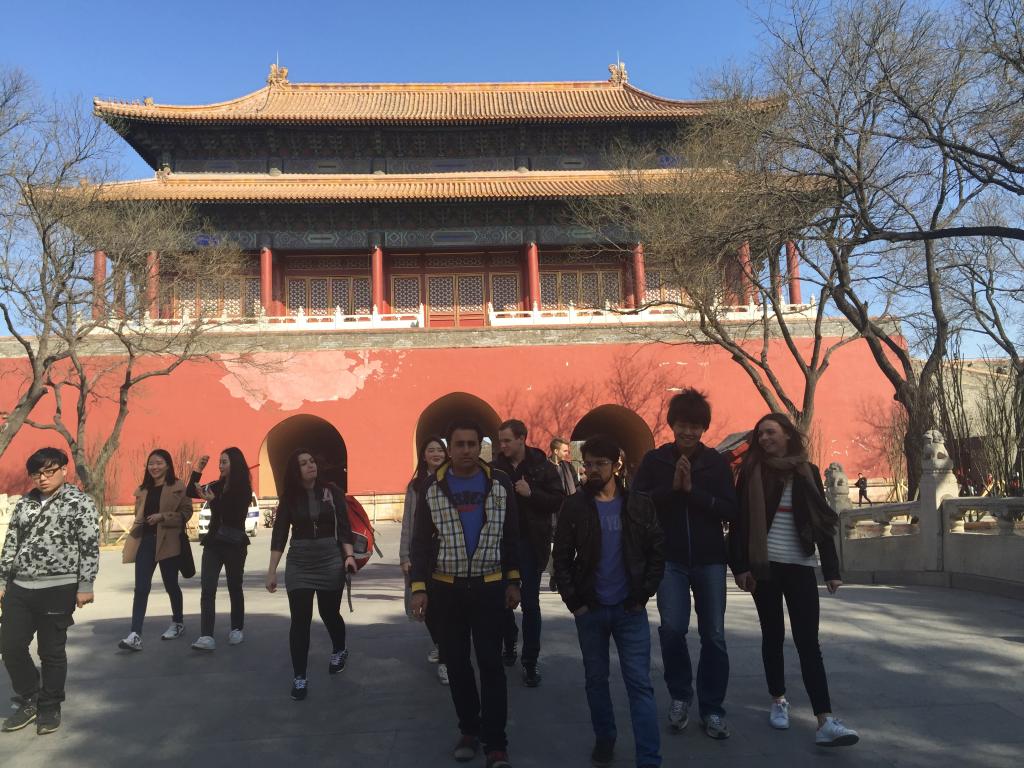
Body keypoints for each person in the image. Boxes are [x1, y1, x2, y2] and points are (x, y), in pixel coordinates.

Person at [729, 413, 859, 747]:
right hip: (764, 567)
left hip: (800, 565)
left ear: (788, 434)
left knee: (808, 642)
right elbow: (739, 522)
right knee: (772, 635)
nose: (764, 439)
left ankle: (824, 719)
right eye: (760, 434)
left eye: (770, 432)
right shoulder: (751, 472)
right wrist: (740, 566)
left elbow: (821, 521)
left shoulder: (807, 471)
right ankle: (778, 699)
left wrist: (831, 570)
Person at [409, 419, 521, 768]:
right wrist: (418, 587)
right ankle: (469, 730)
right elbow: (419, 542)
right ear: (450, 448)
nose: (467, 451)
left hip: (489, 586)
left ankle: (496, 742)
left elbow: (511, 535)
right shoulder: (432, 486)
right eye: (460, 444)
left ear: (480, 446)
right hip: (447, 588)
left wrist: (513, 580)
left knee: (491, 664)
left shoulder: (499, 483)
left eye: (473, 444)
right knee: (456, 665)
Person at [552, 435, 665, 768]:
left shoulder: (639, 504)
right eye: (587, 464)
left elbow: (657, 551)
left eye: (600, 464)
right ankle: (605, 739)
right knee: (596, 681)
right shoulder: (574, 506)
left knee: (640, 685)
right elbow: (561, 557)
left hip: (630, 609)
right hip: (591, 609)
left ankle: (649, 758)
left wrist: (643, 594)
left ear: (617, 466)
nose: (592, 470)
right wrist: (575, 603)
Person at [633, 389, 738, 740]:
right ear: (672, 425)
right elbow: (637, 505)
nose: (688, 432)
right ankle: (680, 695)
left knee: (714, 635)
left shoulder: (716, 463)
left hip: (710, 560)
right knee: (673, 629)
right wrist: (672, 489)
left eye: (695, 426)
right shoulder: (655, 461)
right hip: (670, 559)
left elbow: (730, 509)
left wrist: (693, 492)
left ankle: (712, 708)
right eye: (682, 425)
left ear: (703, 428)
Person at [0, 448, 99, 735]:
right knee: (10, 645)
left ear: (64, 470)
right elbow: (11, 543)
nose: (42, 478)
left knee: (51, 651)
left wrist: (86, 584)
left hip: (58, 587)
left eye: (49, 471)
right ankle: (30, 696)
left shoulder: (80, 502)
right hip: (20, 585)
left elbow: (89, 545)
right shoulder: (25, 503)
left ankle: (50, 705)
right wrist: (3, 580)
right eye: (36, 473)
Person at [266, 449, 357, 700]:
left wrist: (349, 556)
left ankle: (339, 649)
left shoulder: (332, 492)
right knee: (300, 621)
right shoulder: (289, 497)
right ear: (296, 471)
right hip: (300, 562)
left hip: (330, 559)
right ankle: (299, 676)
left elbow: (344, 526)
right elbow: (279, 534)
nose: (310, 466)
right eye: (304, 463)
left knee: (329, 613)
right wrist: (272, 571)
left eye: (312, 461)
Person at [492, 419, 564, 686]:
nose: (503, 445)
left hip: (531, 544)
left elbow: (557, 500)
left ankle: (530, 661)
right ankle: (509, 642)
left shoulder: (542, 466)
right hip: (501, 545)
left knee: (531, 605)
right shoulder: (495, 470)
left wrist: (531, 493)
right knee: (502, 602)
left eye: (507, 440)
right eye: (500, 441)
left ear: (522, 438)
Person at [118, 449, 194, 651]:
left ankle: (177, 622)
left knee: (171, 584)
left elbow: (186, 513)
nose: (155, 467)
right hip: (146, 541)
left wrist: (163, 517)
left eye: (159, 463)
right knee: (141, 588)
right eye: (151, 463)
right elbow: (138, 514)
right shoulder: (143, 489)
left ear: (168, 465)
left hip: (169, 541)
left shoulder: (178, 486)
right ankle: (135, 634)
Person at [187, 447, 252, 651]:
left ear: (235, 464)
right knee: (208, 589)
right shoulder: (216, 485)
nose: (220, 466)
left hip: (235, 544)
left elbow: (234, 517)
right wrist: (197, 470)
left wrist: (214, 502)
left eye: (224, 462)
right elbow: (191, 492)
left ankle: (236, 629)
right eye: (219, 462)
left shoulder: (243, 490)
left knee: (235, 587)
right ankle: (206, 636)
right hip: (213, 544)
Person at [400, 435, 451, 685]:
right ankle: (441, 644)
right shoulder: (415, 486)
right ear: (424, 456)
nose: (436, 454)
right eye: (431, 450)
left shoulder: (453, 480)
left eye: (440, 450)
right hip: (422, 553)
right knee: (426, 605)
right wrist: (404, 555)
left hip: (448, 551)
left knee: (445, 606)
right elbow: (407, 523)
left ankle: (446, 660)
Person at [547, 438, 577, 592]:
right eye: (565, 451)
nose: (567, 453)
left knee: (568, 545)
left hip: (568, 511)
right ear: (555, 451)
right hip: (551, 514)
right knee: (553, 548)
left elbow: (576, 486)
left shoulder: (568, 467)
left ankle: (564, 575)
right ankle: (554, 574)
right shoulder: (545, 468)